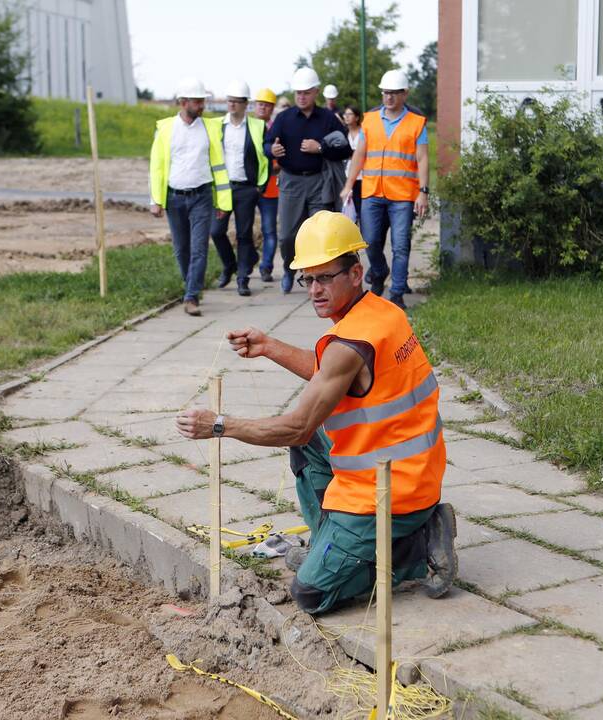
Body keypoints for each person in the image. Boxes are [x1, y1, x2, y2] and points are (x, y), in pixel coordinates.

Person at [175, 211, 457, 615]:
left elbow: (297, 425)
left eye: (325, 277)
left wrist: (219, 425)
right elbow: (334, 375)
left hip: (392, 492)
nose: (314, 290)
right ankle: (332, 540)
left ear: (355, 273)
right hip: (408, 466)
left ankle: (414, 548)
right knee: (307, 446)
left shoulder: (351, 341)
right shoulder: (382, 313)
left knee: (309, 594)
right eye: (308, 279)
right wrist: (269, 346)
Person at [341, 70, 429, 310]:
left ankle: (397, 292)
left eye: (394, 93)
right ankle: (379, 271)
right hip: (372, 191)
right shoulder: (369, 120)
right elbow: (359, 154)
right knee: (369, 240)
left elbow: (422, 158)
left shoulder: (416, 123)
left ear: (404, 94)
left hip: (402, 195)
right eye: (385, 93)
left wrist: (424, 192)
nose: (388, 97)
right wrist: (349, 185)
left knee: (401, 245)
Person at [264, 67, 353, 294]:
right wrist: (271, 149)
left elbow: (344, 150)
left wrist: (320, 147)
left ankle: (316, 278)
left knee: (318, 233)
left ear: (316, 92)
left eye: (306, 92)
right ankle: (288, 268)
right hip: (291, 182)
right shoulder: (284, 119)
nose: (301, 96)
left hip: (318, 182)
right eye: (298, 93)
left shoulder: (328, 119)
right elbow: (266, 144)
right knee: (287, 235)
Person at [149, 77, 231, 316]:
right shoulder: (165, 129)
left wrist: (223, 202)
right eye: (197, 101)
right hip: (174, 198)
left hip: (202, 196)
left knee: (199, 249)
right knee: (180, 249)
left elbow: (220, 167)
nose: (202, 105)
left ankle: (191, 296)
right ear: (183, 102)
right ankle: (190, 286)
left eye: (202, 101)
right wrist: (155, 200)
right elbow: (157, 166)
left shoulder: (210, 128)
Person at [210, 80, 269, 296]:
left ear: (246, 104)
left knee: (244, 234)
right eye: (229, 101)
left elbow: (265, 158)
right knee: (216, 231)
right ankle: (229, 265)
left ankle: (243, 278)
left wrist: (260, 186)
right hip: (222, 188)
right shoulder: (216, 126)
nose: (232, 105)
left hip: (247, 189)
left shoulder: (257, 126)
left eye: (237, 102)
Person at [253, 87, 280, 284]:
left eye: (266, 105)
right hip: (247, 187)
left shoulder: (276, 130)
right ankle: (248, 263)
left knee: (269, 230)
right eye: (260, 104)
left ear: (272, 108)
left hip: (271, 188)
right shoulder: (246, 128)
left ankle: (266, 266)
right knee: (244, 231)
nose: (263, 107)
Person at [342, 105, 364, 222]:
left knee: (361, 209)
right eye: (345, 114)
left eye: (349, 114)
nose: (346, 117)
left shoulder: (363, 132)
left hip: (362, 176)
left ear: (356, 117)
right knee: (348, 209)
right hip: (346, 175)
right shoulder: (343, 134)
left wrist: (355, 153)